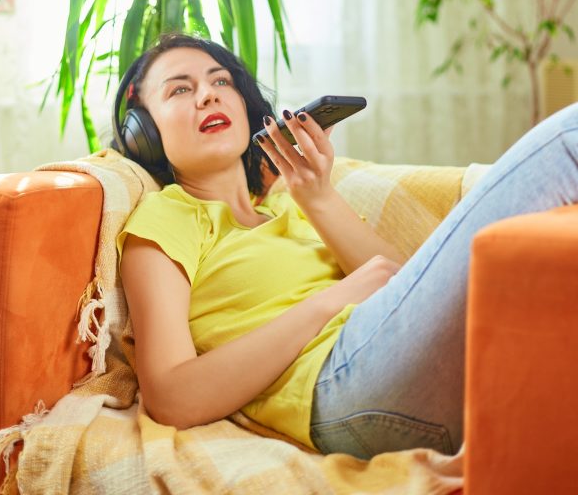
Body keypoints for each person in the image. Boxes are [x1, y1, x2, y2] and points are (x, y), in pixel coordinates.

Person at [114, 31, 578, 459]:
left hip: (399, 369)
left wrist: (317, 196)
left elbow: (406, 291)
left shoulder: (290, 205)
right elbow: (172, 396)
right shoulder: (167, 218)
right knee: (567, 139)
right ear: (145, 132)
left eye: (220, 81)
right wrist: (330, 302)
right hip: (338, 388)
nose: (209, 93)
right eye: (180, 89)